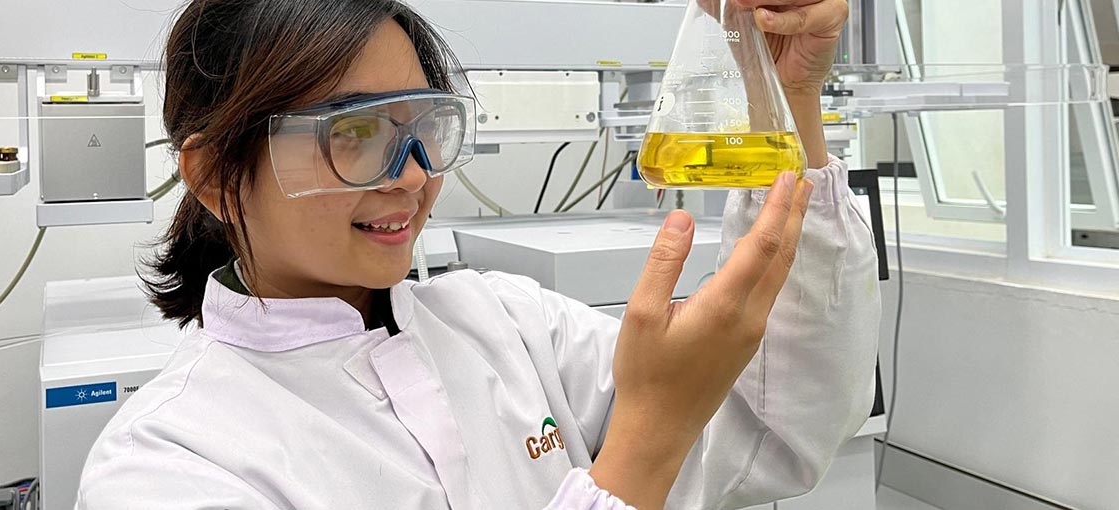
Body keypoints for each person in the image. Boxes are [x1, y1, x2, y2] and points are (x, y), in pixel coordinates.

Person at [77, 0, 881, 508]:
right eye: (352, 134)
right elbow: (659, 438)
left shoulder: (505, 320)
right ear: (217, 175)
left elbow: (777, 430)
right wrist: (646, 435)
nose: (416, 175)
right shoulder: (169, 463)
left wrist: (784, 93)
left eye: (422, 127)